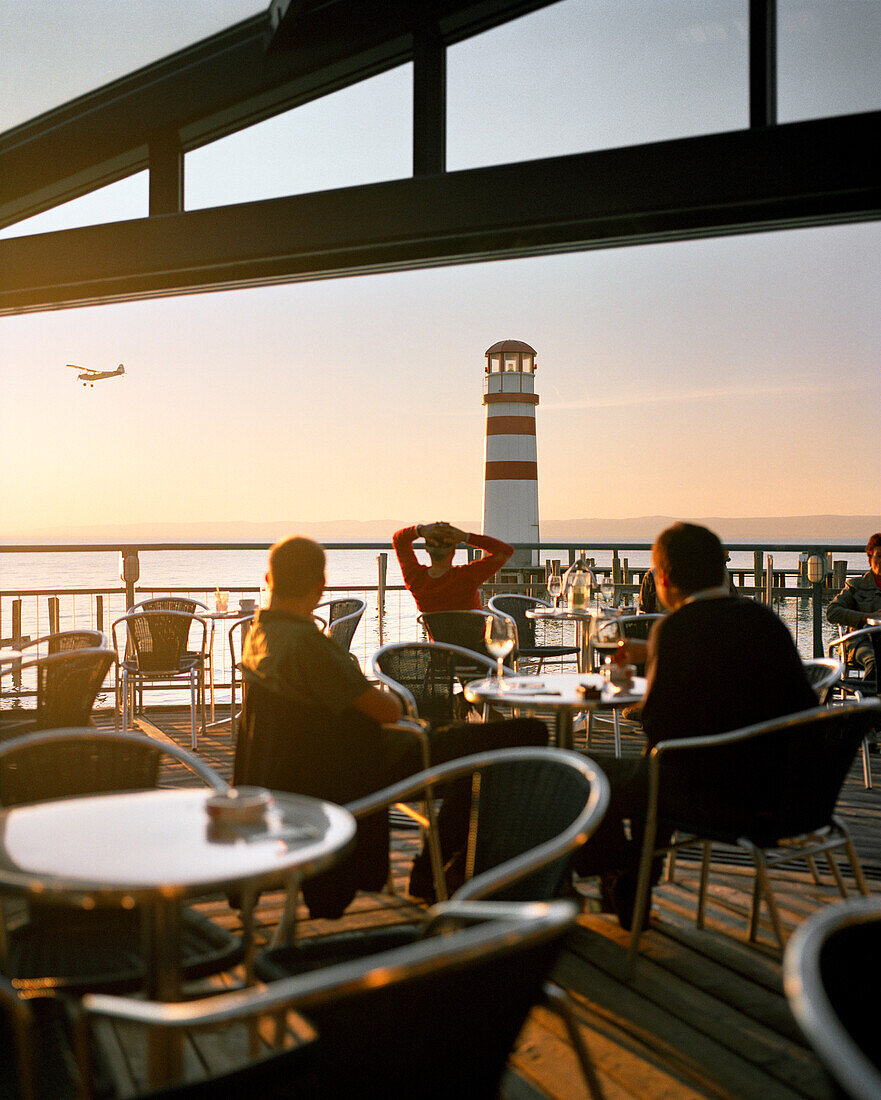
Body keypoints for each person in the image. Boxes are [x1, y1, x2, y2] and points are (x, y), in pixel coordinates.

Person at [236, 536, 546, 914]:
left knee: (472, 747)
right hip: (360, 765)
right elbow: (386, 711)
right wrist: (402, 700)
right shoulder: (307, 646)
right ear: (321, 586)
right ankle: (445, 868)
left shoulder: (259, 635)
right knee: (528, 734)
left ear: (269, 579)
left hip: (307, 769)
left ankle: (441, 868)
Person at [575, 522, 817, 928]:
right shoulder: (763, 619)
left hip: (723, 801)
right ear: (721, 569)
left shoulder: (676, 628)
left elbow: (660, 733)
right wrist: (656, 653)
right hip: (791, 793)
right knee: (659, 775)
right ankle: (629, 883)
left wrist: (650, 673)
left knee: (584, 773)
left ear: (663, 578)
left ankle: (615, 873)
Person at [393, 521, 513, 613]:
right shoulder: (466, 577)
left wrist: (420, 530)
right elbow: (504, 551)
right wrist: (466, 537)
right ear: (453, 550)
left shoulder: (416, 579)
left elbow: (399, 540)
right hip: (473, 645)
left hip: (438, 645)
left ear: (427, 549)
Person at [826, 532, 881, 689]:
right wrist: (865, 617)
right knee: (876, 660)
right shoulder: (856, 585)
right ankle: (866, 707)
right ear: (870, 559)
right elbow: (832, 612)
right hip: (862, 640)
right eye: (879, 556)